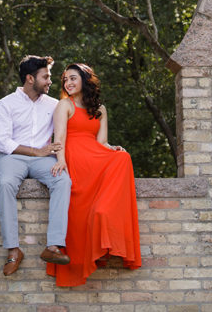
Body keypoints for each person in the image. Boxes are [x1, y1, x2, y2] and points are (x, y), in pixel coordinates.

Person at [46, 63, 141, 287]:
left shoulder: (100, 109)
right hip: (76, 160)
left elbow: (102, 142)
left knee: (123, 158)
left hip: (95, 156)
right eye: (65, 80)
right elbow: (58, 138)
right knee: (79, 212)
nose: (68, 83)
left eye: (72, 78)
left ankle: (106, 227)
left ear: (84, 81)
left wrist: (113, 148)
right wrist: (61, 161)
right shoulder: (64, 105)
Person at [0, 55, 73, 276]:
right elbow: (3, 142)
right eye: (45, 76)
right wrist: (35, 151)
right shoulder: (6, 104)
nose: (50, 81)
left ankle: (53, 246)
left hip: (43, 159)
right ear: (30, 78)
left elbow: (73, 132)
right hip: (12, 157)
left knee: (63, 180)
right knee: (6, 183)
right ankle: (13, 250)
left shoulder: (55, 105)